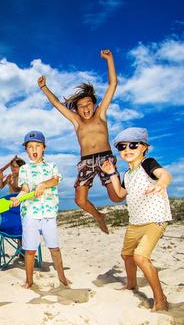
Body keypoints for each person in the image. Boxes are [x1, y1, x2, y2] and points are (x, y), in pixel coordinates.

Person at [37, 49, 122, 234]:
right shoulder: (76, 121)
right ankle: (99, 216)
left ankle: (133, 181)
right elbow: (57, 104)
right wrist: (44, 87)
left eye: (88, 104)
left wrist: (109, 59)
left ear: (94, 104)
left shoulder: (101, 114)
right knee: (80, 200)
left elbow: (113, 84)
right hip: (86, 162)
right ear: (76, 109)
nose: (85, 108)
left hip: (106, 159)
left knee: (116, 198)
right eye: (81, 106)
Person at [102, 127, 172, 311]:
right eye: (122, 147)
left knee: (140, 257)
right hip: (135, 222)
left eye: (133, 144)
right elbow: (119, 194)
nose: (127, 149)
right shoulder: (128, 174)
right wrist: (111, 174)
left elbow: (165, 174)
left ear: (144, 147)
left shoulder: (148, 163)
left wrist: (161, 184)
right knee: (126, 255)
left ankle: (161, 299)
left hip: (154, 220)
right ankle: (131, 284)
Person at [12, 131, 70, 288]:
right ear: (27, 151)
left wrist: (43, 184)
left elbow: (55, 180)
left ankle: (62, 278)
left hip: (48, 213)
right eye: (30, 147)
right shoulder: (24, 169)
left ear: (43, 148)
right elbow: (24, 188)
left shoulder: (51, 166)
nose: (33, 149)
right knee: (30, 250)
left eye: (37, 145)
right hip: (30, 213)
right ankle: (29, 281)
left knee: (54, 248)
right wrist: (18, 198)